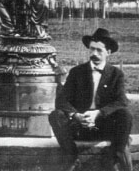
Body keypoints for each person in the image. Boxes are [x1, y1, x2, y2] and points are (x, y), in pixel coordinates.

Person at [49, 28, 133, 171]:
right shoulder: (77, 72)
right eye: (92, 49)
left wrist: (99, 113)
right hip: (79, 125)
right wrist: (76, 115)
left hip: (103, 125)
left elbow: (122, 101)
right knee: (55, 115)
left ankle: (114, 157)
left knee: (125, 115)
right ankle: (71, 156)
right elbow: (62, 100)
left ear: (109, 52)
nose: (94, 54)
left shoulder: (116, 74)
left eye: (99, 50)